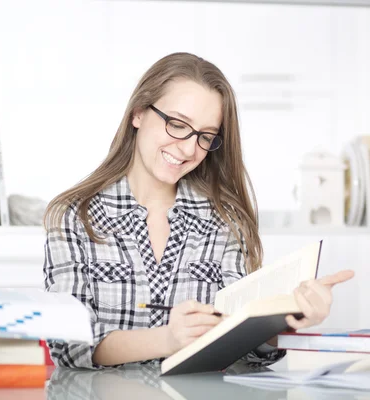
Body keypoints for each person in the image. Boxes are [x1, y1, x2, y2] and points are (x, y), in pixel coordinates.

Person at [43, 52, 354, 369]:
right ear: (138, 113)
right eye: (178, 124)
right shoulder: (74, 216)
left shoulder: (226, 220)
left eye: (205, 136)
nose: (190, 149)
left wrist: (285, 320)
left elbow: (246, 348)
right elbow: (70, 346)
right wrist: (168, 339)